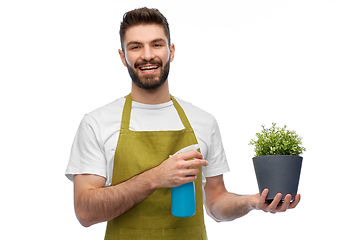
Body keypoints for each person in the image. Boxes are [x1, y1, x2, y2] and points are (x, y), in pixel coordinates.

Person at [65, 7, 300, 239]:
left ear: (171, 51)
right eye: (135, 47)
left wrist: (251, 202)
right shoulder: (96, 123)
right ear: (122, 56)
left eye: (157, 44)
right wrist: (156, 177)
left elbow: (216, 203)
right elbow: (85, 212)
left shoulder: (203, 122)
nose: (147, 55)